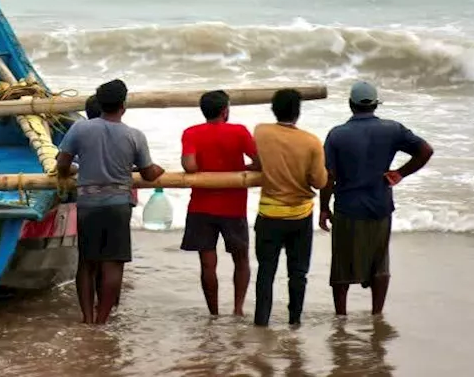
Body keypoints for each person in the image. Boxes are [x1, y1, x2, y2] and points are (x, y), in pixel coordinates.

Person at [55, 79, 164, 325]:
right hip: (118, 205)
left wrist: (67, 173)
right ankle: (102, 320)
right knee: (113, 264)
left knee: (87, 263)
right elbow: (148, 173)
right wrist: (159, 170)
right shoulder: (135, 135)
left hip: (87, 204)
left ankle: (87, 318)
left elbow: (62, 164)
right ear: (123, 105)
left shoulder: (80, 129)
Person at [319, 81, 433, 316]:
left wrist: (323, 208)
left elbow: (329, 176)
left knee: (342, 265)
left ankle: (341, 316)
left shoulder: (337, 135)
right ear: (375, 105)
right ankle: (376, 313)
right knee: (380, 262)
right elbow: (425, 150)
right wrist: (400, 173)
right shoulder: (392, 129)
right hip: (380, 205)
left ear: (350, 105)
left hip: (347, 207)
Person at [252, 88, 327, 327]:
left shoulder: (261, 132)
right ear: (298, 112)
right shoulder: (311, 142)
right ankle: (294, 321)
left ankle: (261, 321)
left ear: (274, 110)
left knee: (266, 272)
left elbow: (257, 160)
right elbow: (320, 181)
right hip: (299, 215)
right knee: (298, 273)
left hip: (269, 214)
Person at [180, 90, 258, 317]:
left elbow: (190, 167)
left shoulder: (191, 133)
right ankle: (238, 309)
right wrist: (244, 169)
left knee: (207, 264)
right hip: (233, 206)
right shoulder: (239, 131)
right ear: (225, 110)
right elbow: (259, 160)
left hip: (201, 206)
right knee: (241, 259)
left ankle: (213, 313)